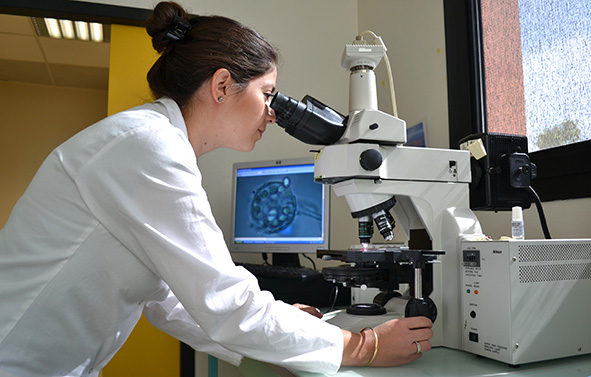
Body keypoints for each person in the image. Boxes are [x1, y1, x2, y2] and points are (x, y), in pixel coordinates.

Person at [0, 2, 433, 376]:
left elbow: (168, 298)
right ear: (223, 85)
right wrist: (362, 347)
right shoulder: (148, 148)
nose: (273, 114)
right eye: (268, 94)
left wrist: (288, 328)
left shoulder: (152, 144)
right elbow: (224, 305)